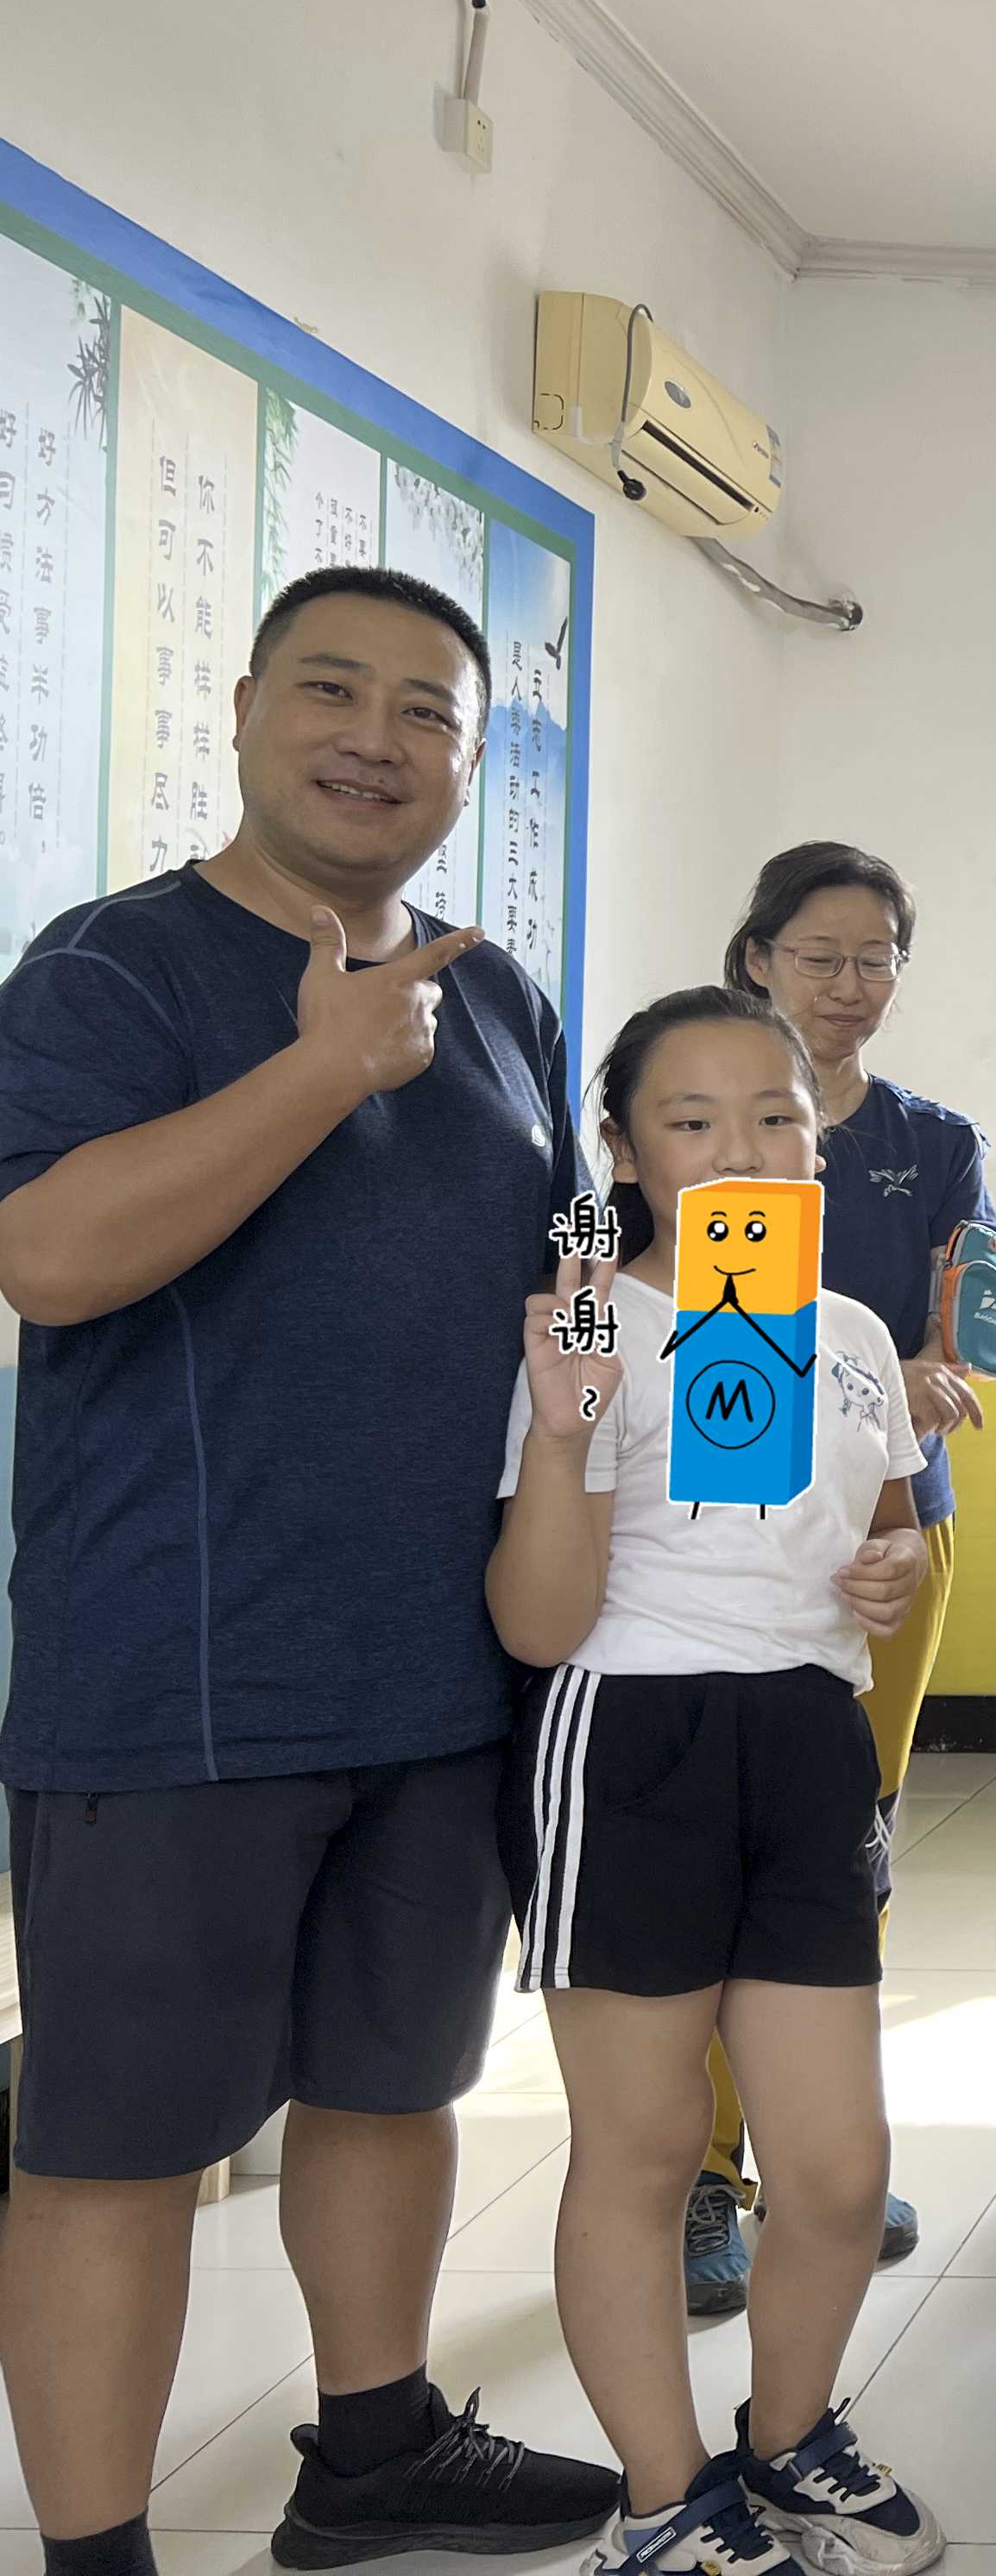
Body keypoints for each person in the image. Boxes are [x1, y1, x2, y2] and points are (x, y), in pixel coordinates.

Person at [0, 569, 616, 2576]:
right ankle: (94, 2551)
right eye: (334, 692)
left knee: (391, 2089)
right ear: (248, 707)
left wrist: (786, 1471)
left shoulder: (500, 998)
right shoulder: (115, 970)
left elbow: (570, 1289)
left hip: (440, 1667)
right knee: (114, 2144)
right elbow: (51, 1259)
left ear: (469, 761)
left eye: (427, 711)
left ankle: (373, 2450)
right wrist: (325, 1066)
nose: (376, 738)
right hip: (179, 1675)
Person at [489, 989, 942, 2576]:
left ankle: (791, 2437)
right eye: (692, 1121)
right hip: (629, 1736)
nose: (742, 1146)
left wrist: (892, 1569)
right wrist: (566, 1437)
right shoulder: (592, 1319)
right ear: (624, 1149)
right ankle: (666, 2497)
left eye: (776, 1116)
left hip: (807, 1741)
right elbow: (536, 1624)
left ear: (818, 1141)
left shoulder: (853, 1330)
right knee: (642, 2144)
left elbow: (884, 1528)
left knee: (839, 2168)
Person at [670, 844, 996, 2314]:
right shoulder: (669, 1105)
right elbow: (580, 1277)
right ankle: (698, 2171)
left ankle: (823, 2157)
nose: (850, 984)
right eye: (820, 955)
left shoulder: (936, 1141)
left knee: (846, 1848)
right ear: (758, 958)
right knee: (708, 1860)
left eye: (877, 959)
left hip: (889, 1527)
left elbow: (971, 1322)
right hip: (702, 1543)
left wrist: (930, 1373)